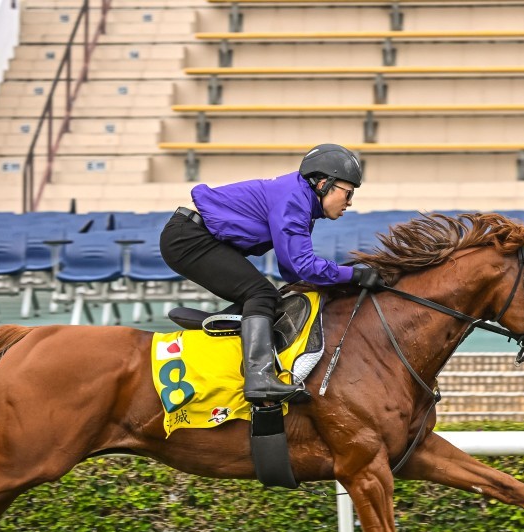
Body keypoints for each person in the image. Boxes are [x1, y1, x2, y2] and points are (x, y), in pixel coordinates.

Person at [159, 143, 385, 405]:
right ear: (324, 184)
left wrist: (342, 280)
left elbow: (292, 271)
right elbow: (303, 266)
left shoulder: (301, 200)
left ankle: (218, 323)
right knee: (261, 294)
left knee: (268, 296)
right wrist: (354, 276)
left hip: (193, 235)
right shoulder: (295, 200)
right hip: (188, 238)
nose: (350, 202)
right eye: (348, 193)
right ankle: (258, 378)